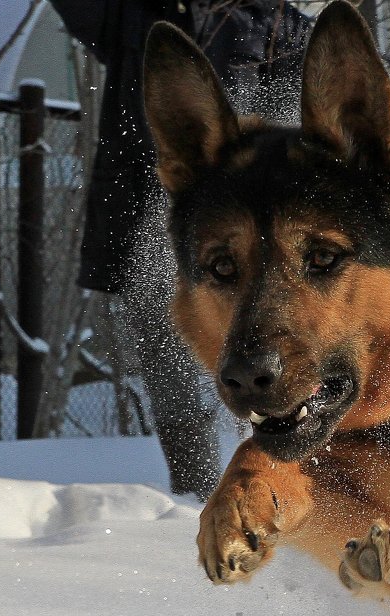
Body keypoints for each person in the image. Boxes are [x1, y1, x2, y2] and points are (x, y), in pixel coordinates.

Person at [49, 0, 311, 498]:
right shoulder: (134, 13)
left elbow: (294, 132)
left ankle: (258, 489)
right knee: (169, 374)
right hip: (145, 227)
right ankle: (194, 497)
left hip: (240, 248)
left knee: (257, 366)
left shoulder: (280, 26)